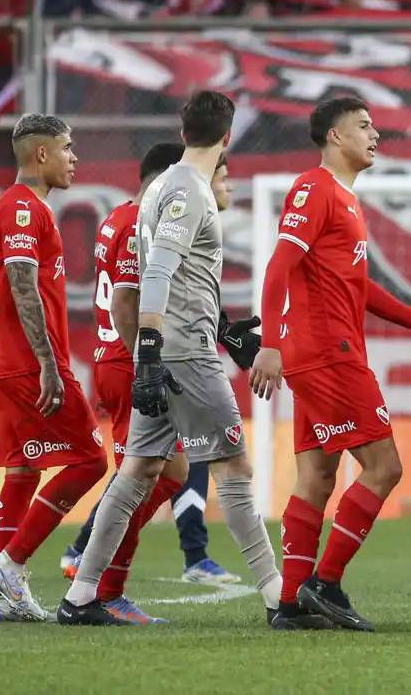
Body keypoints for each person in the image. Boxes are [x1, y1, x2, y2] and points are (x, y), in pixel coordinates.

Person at [57, 90, 280, 626]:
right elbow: (156, 272)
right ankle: (280, 596)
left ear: (184, 134)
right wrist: (154, 348)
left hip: (169, 351)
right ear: (227, 138)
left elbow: (169, 279)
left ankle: (81, 595)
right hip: (183, 357)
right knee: (234, 468)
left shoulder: (158, 190)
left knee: (136, 472)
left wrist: (220, 330)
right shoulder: (188, 191)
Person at [252, 96, 411, 632]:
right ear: (335, 136)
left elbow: (359, 286)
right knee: (385, 467)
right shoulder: (315, 189)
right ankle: (325, 582)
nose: (376, 135)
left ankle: (291, 604)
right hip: (327, 353)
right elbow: (279, 267)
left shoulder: (346, 200)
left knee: (317, 476)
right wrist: (272, 342)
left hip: (321, 353)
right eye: (365, 126)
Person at [0, 114, 110, 622]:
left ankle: (4, 598)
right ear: (41, 155)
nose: (74, 157)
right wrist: (48, 365)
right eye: (68, 148)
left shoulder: (9, 207)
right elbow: (20, 281)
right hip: (27, 363)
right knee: (91, 461)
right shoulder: (22, 207)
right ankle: (12, 563)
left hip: (1, 360)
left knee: (23, 469)